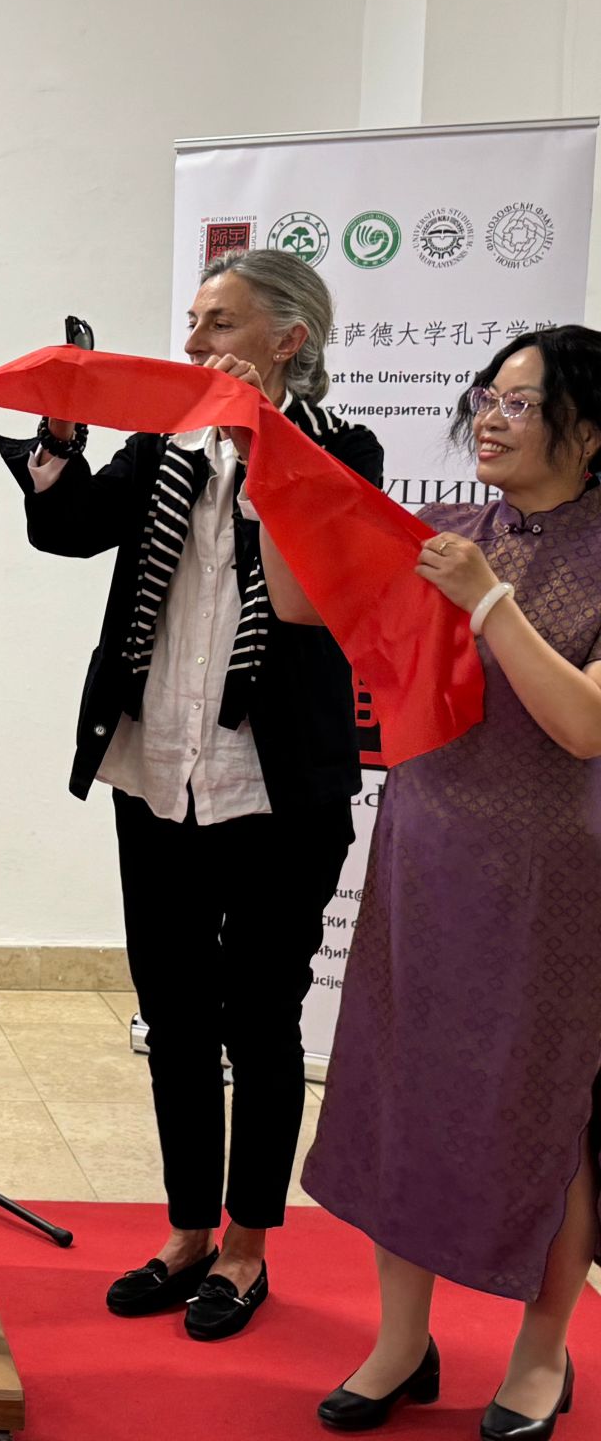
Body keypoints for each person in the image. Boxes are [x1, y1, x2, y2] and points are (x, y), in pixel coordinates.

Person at [0, 248, 382, 1340]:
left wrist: (258, 441)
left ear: (287, 340)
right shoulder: (162, 442)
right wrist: (61, 431)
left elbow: (328, 569)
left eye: (218, 323)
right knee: (172, 1015)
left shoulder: (344, 447)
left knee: (260, 1018)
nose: (192, 342)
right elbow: (67, 530)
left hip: (276, 783)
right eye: (194, 321)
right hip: (155, 767)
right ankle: (185, 1232)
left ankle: (248, 1246)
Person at [295, 325, 601, 1437]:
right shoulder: (448, 534)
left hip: (556, 877)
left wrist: (489, 603)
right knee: (403, 1090)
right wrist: (268, 456)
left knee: (548, 1109)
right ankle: (399, 1342)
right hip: (425, 854)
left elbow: (584, 725)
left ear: (588, 431)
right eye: (486, 395)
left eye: (520, 402)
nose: (489, 417)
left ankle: (539, 1355)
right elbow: (302, 605)